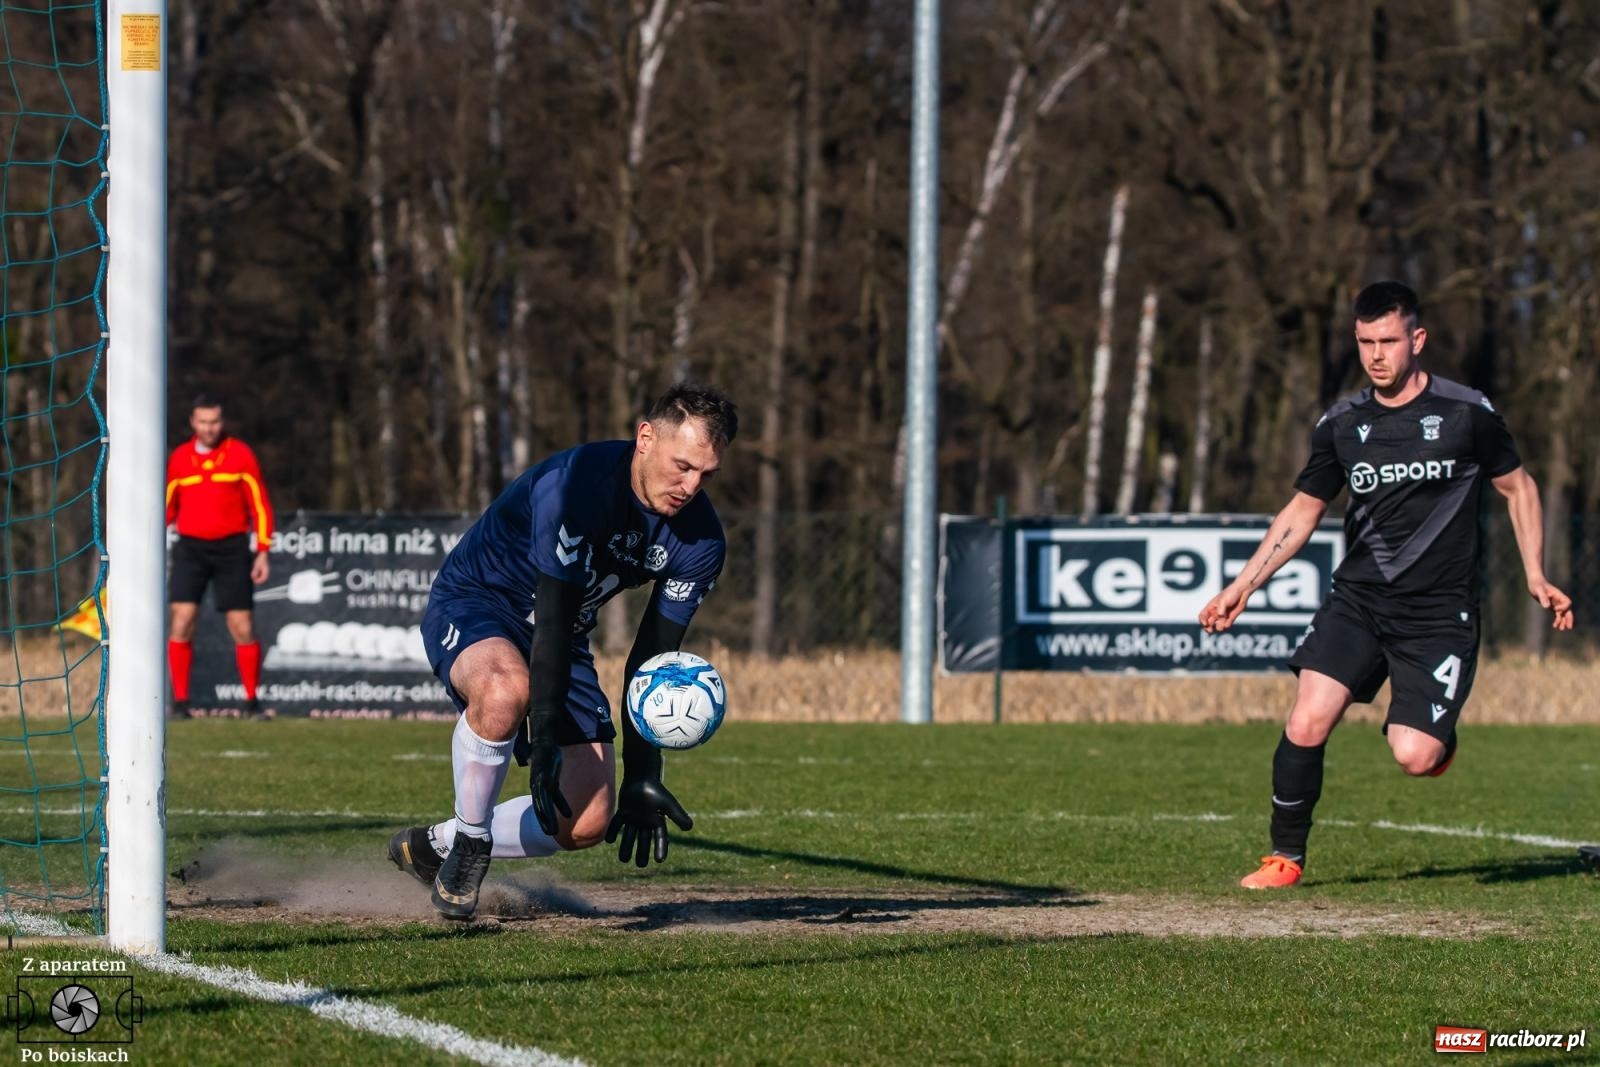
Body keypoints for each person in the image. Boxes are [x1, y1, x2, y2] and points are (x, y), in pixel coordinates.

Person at [1199, 282, 1574, 889]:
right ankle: (1284, 858)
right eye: (1366, 342)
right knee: (1307, 719)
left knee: (1414, 756)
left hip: (1438, 612)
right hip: (1361, 600)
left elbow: (1519, 489)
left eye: (1390, 341)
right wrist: (1244, 585)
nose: (1378, 355)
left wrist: (1535, 573)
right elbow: (1302, 510)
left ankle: (1437, 743)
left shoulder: (1466, 413)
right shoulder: (1343, 424)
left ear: (1416, 340)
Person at [388, 383, 738, 920]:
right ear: (645, 438)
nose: (691, 486)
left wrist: (645, 772)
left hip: (562, 633)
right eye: (682, 466)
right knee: (508, 689)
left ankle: (437, 844)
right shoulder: (574, 486)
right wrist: (545, 732)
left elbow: (652, 659)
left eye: (706, 474)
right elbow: (548, 614)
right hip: (479, 603)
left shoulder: (701, 541)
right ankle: (473, 843)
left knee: (585, 820)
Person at [165, 394, 276, 720]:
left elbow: (260, 504)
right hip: (190, 548)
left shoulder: (240, 454)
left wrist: (263, 551)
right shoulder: (181, 458)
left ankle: (251, 702)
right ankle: (181, 703)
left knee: (242, 625)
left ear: (221, 422)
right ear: (192, 422)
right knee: (182, 620)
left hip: (232, 549)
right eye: (203, 422)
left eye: (214, 422)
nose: (209, 428)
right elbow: (167, 506)